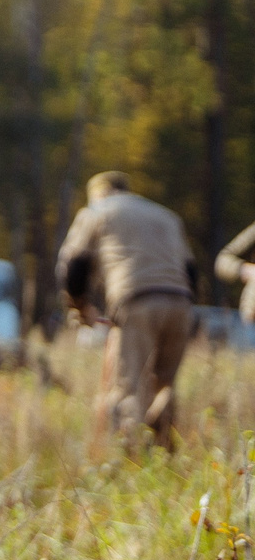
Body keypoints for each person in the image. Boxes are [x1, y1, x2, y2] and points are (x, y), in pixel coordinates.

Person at [57, 171, 195, 451]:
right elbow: (191, 271)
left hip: (136, 301)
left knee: (128, 387)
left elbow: (74, 265)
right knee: (164, 384)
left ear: (99, 193)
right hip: (181, 302)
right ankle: (165, 453)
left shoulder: (98, 210)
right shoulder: (166, 216)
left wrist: (80, 307)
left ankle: (129, 462)